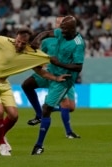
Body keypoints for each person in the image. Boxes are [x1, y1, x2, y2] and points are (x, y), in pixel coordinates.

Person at [0, 24, 70, 156]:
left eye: (23, 43)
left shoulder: (31, 54)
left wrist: (56, 78)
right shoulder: (3, 41)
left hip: (3, 83)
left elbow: (41, 72)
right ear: (15, 37)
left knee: (14, 115)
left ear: (27, 43)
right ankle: (2, 144)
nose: (19, 44)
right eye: (18, 41)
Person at [29, 15, 85, 155]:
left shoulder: (78, 44)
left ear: (72, 29)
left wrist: (58, 63)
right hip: (51, 72)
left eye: (64, 29)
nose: (61, 31)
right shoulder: (61, 32)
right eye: (61, 28)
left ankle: (39, 146)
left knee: (48, 108)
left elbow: (78, 67)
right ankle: (38, 115)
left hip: (63, 79)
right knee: (27, 85)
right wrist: (37, 39)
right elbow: (47, 33)